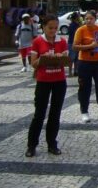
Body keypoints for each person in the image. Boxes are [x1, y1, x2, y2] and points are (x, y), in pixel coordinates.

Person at [25, 14, 68, 157]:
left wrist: (60, 57)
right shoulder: (38, 41)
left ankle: (52, 144)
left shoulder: (61, 41)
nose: (53, 31)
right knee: (39, 114)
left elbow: (67, 60)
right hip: (43, 81)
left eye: (55, 28)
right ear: (44, 27)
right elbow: (33, 63)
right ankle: (32, 145)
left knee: (55, 114)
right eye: (50, 28)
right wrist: (43, 59)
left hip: (59, 80)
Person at [67, 12, 80, 77]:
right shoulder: (73, 25)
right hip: (72, 43)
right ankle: (70, 71)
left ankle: (75, 71)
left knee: (76, 58)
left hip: (76, 43)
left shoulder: (75, 25)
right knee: (72, 58)